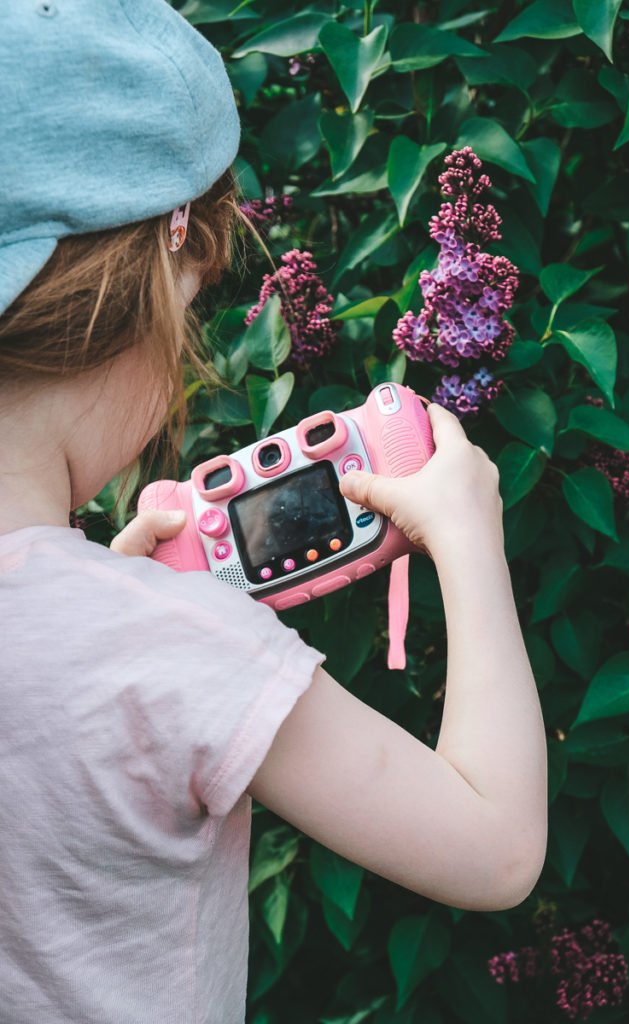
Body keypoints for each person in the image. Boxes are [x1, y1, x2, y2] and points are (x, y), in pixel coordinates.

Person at [0, 2, 547, 1022]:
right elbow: (496, 847)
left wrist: (106, 597)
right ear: (137, 298)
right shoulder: (171, 646)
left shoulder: (129, 631)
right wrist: (468, 541)